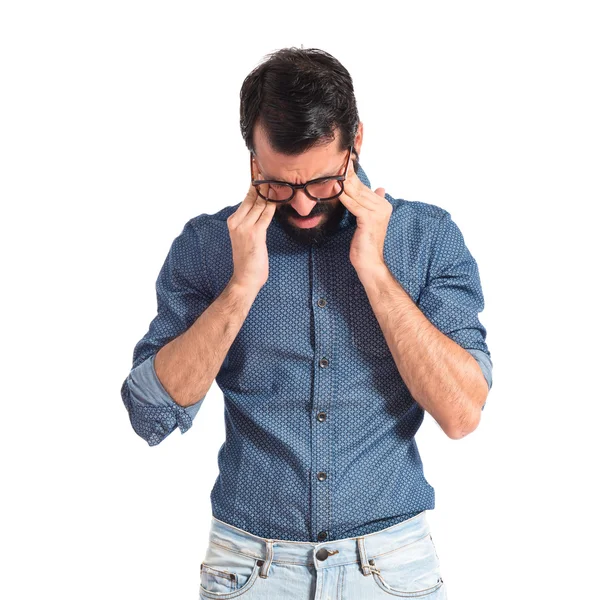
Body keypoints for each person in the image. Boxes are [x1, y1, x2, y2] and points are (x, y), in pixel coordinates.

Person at [120, 46, 493, 599]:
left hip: (390, 570)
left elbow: (463, 414)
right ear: (253, 159)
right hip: (250, 571)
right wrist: (240, 287)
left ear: (355, 143)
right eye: (279, 184)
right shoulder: (206, 248)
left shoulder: (426, 238)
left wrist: (376, 273)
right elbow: (148, 413)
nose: (300, 206)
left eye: (321, 183)